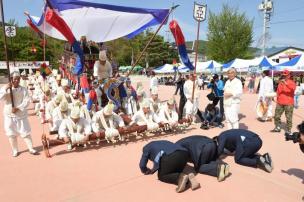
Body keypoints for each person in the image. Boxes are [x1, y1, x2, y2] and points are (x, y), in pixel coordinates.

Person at [0, 71, 38, 157]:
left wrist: (18, 108)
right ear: (11, 79)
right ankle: (15, 150)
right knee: (11, 133)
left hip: (21, 114)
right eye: (15, 79)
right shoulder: (5, 88)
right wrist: (6, 88)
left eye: (18, 79)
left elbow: (27, 100)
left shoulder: (23, 89)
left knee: (25, 131)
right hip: (9, 114)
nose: (16, 80)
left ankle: (31, 148)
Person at [271, 70, 296, 134]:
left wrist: (286, 83)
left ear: (289, 75)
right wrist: (275, 97)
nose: (284, 76)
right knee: (276, 116)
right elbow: (278, 91)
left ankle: (288, 130)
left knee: (288, 117)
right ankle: (277, 127)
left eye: (286, 75)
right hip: (280, 102)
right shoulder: (280, 83)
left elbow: (293, 89)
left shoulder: (292, 82)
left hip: (289, 103)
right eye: (283, 75)